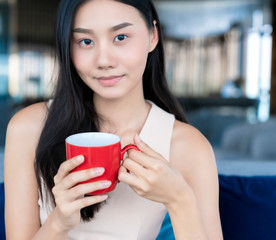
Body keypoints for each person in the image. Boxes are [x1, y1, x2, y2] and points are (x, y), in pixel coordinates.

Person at [4, 0, 223, 239]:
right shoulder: (28, 129)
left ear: (152, 36)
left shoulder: (187, 146)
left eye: (120, 37)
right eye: (85, 42)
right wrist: (59, 221)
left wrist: (179, 200)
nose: (104, 60)